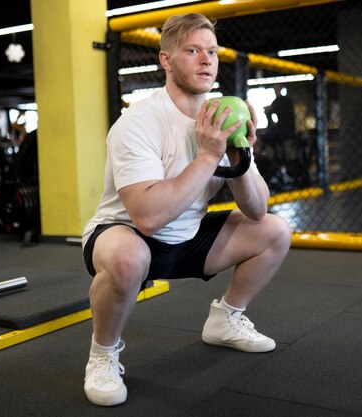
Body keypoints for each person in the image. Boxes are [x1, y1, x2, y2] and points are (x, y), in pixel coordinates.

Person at [81, 12, 292, 407]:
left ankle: (225, 319)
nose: (206, 60)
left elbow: (258, 208)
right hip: (125, 234)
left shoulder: (222, 116)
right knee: (129, 258)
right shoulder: (138, 122)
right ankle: (103, 355)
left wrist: (238, 153)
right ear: (166, 60)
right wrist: (210, 155)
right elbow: (147, 216)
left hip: (188, 237)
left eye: (211, 51)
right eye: (192, 50)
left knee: (275, 232)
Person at [258, 84, 296, 163]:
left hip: (285, 129)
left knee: (264, 137)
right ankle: (273, 158)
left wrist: (268, 111)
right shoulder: (280, 100)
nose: (276, 90)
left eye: (277, 89)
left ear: (280, 89)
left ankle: (268, 157)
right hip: (283, 129)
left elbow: (270, 110)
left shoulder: (282, 100)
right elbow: (270, 111)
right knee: (269, 138)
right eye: (275, 89)